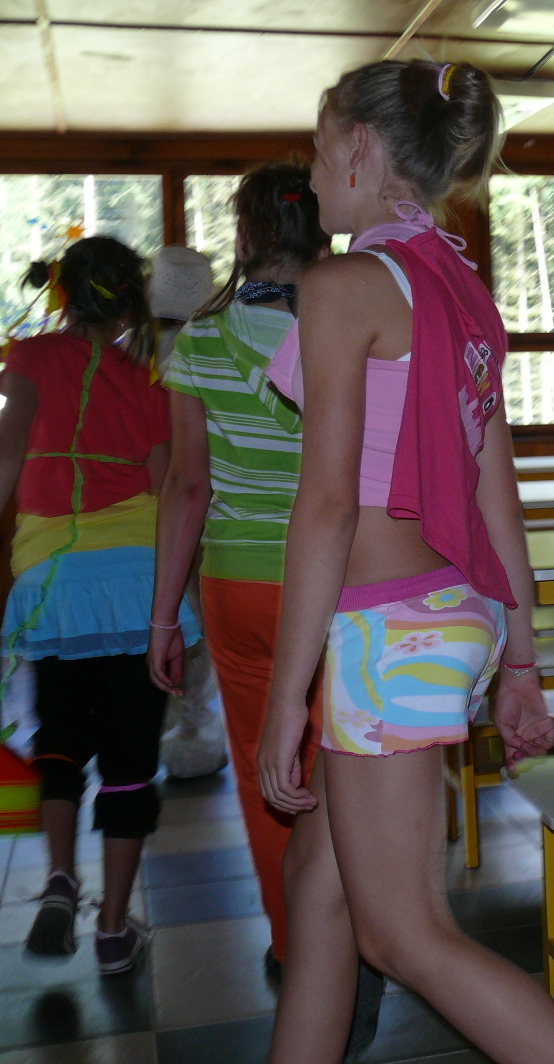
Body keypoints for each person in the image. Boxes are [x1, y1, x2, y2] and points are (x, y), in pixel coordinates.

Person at [255, 59, 554, 1064]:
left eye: (318, 152)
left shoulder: (344, 286)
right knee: (319, 885)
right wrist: (521, 659)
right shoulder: (455, 283)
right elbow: (498, 491)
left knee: (403, 934)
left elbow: (327, 505)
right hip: (455, 611)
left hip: (385, 628)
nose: (310, 177)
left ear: (360, 149)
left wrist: (287, 696)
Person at [0, 236, 200, 974]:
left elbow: (5, 456)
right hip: (136, 583)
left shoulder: (29, 358)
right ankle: (114, 930)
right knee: (130, 757)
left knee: (58, 737)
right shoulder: (150, 374)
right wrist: (180, 594)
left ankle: (61, 879)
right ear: (131, 303)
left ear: (62, 293)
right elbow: (168, 484)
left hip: (52, 584)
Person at [150, 162, 330, 976]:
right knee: (338, 768)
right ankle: (350, 943)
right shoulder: (344, 324)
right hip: (332, 581)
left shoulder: (201, 338)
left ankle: (294, 946)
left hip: (235, 586)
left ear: (246, 232)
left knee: (268, 771)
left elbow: (187, 486)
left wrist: (164, 616)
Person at [147, 244, 229, 783]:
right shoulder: (217, 344)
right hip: (217, 502)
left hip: (159, 506)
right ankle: (197, 732)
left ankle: (177, 731)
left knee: (172, 616)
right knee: (200, 622)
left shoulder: (137, 357)